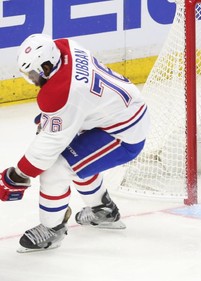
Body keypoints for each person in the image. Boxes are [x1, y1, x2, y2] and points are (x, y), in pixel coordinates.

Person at [0, 34, 150, 252]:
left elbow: (51, 143)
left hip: (124, 133)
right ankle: (104, 210)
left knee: (56, 172)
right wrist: (52, 119)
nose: (31, 79)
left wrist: (18, 175)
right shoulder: (65, 47)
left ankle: (52, 230)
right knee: (77, 162)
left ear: (47, 65)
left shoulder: (62, 92)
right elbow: (76, 101)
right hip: (117, 113)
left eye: (32, 73)